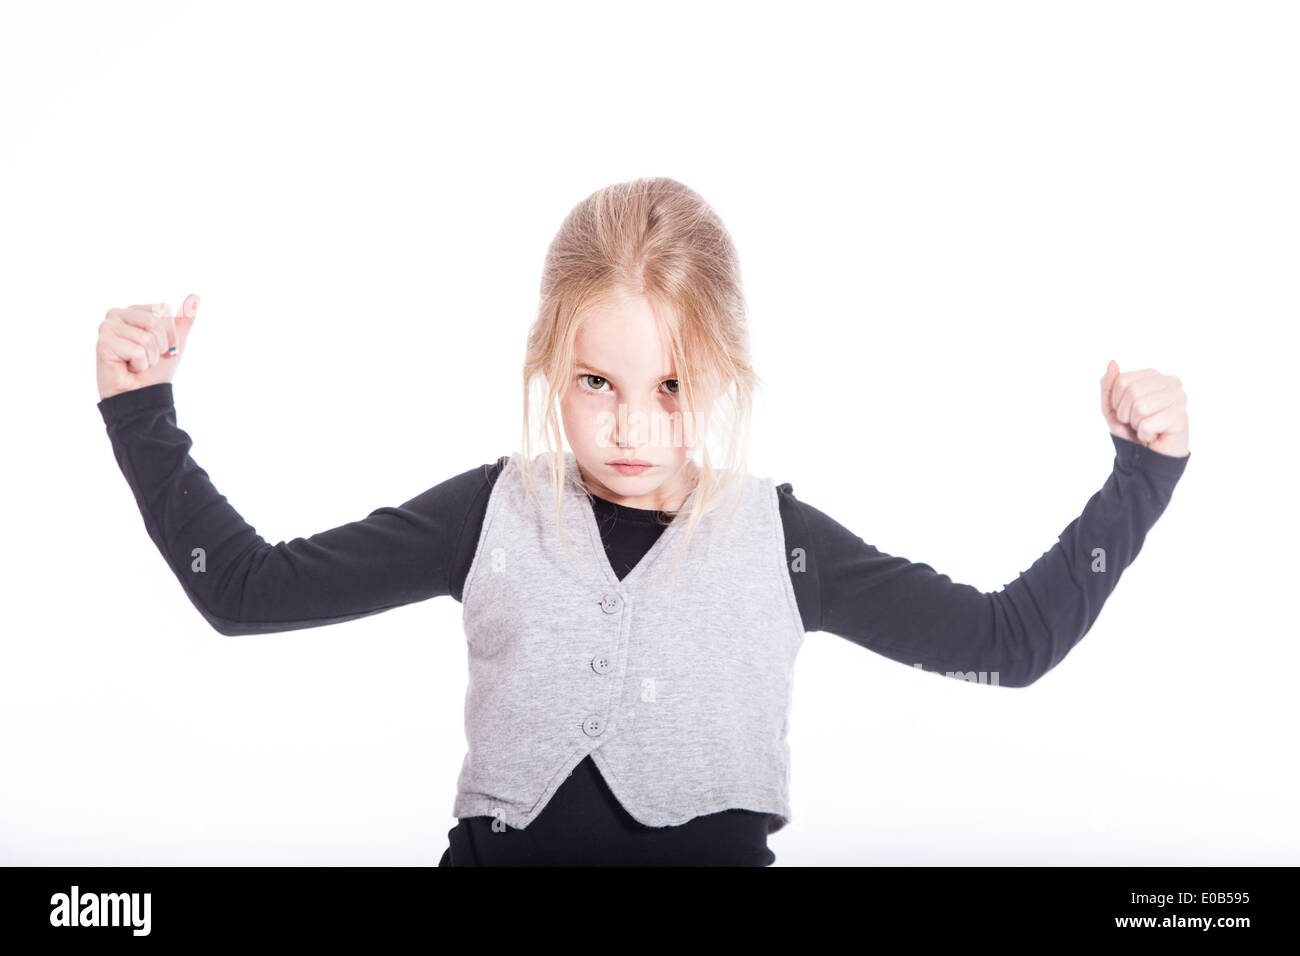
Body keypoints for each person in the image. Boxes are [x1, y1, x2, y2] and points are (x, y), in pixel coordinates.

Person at [95, 177, 1191, 866]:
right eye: (594, 381)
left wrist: (1141, 475)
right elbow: (239, 589)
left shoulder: (782, 541)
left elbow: (1007, 644)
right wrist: (141, 411)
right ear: (547, 368)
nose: (629, 425)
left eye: (670, 384)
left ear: (724, 375)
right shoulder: (490, 512)